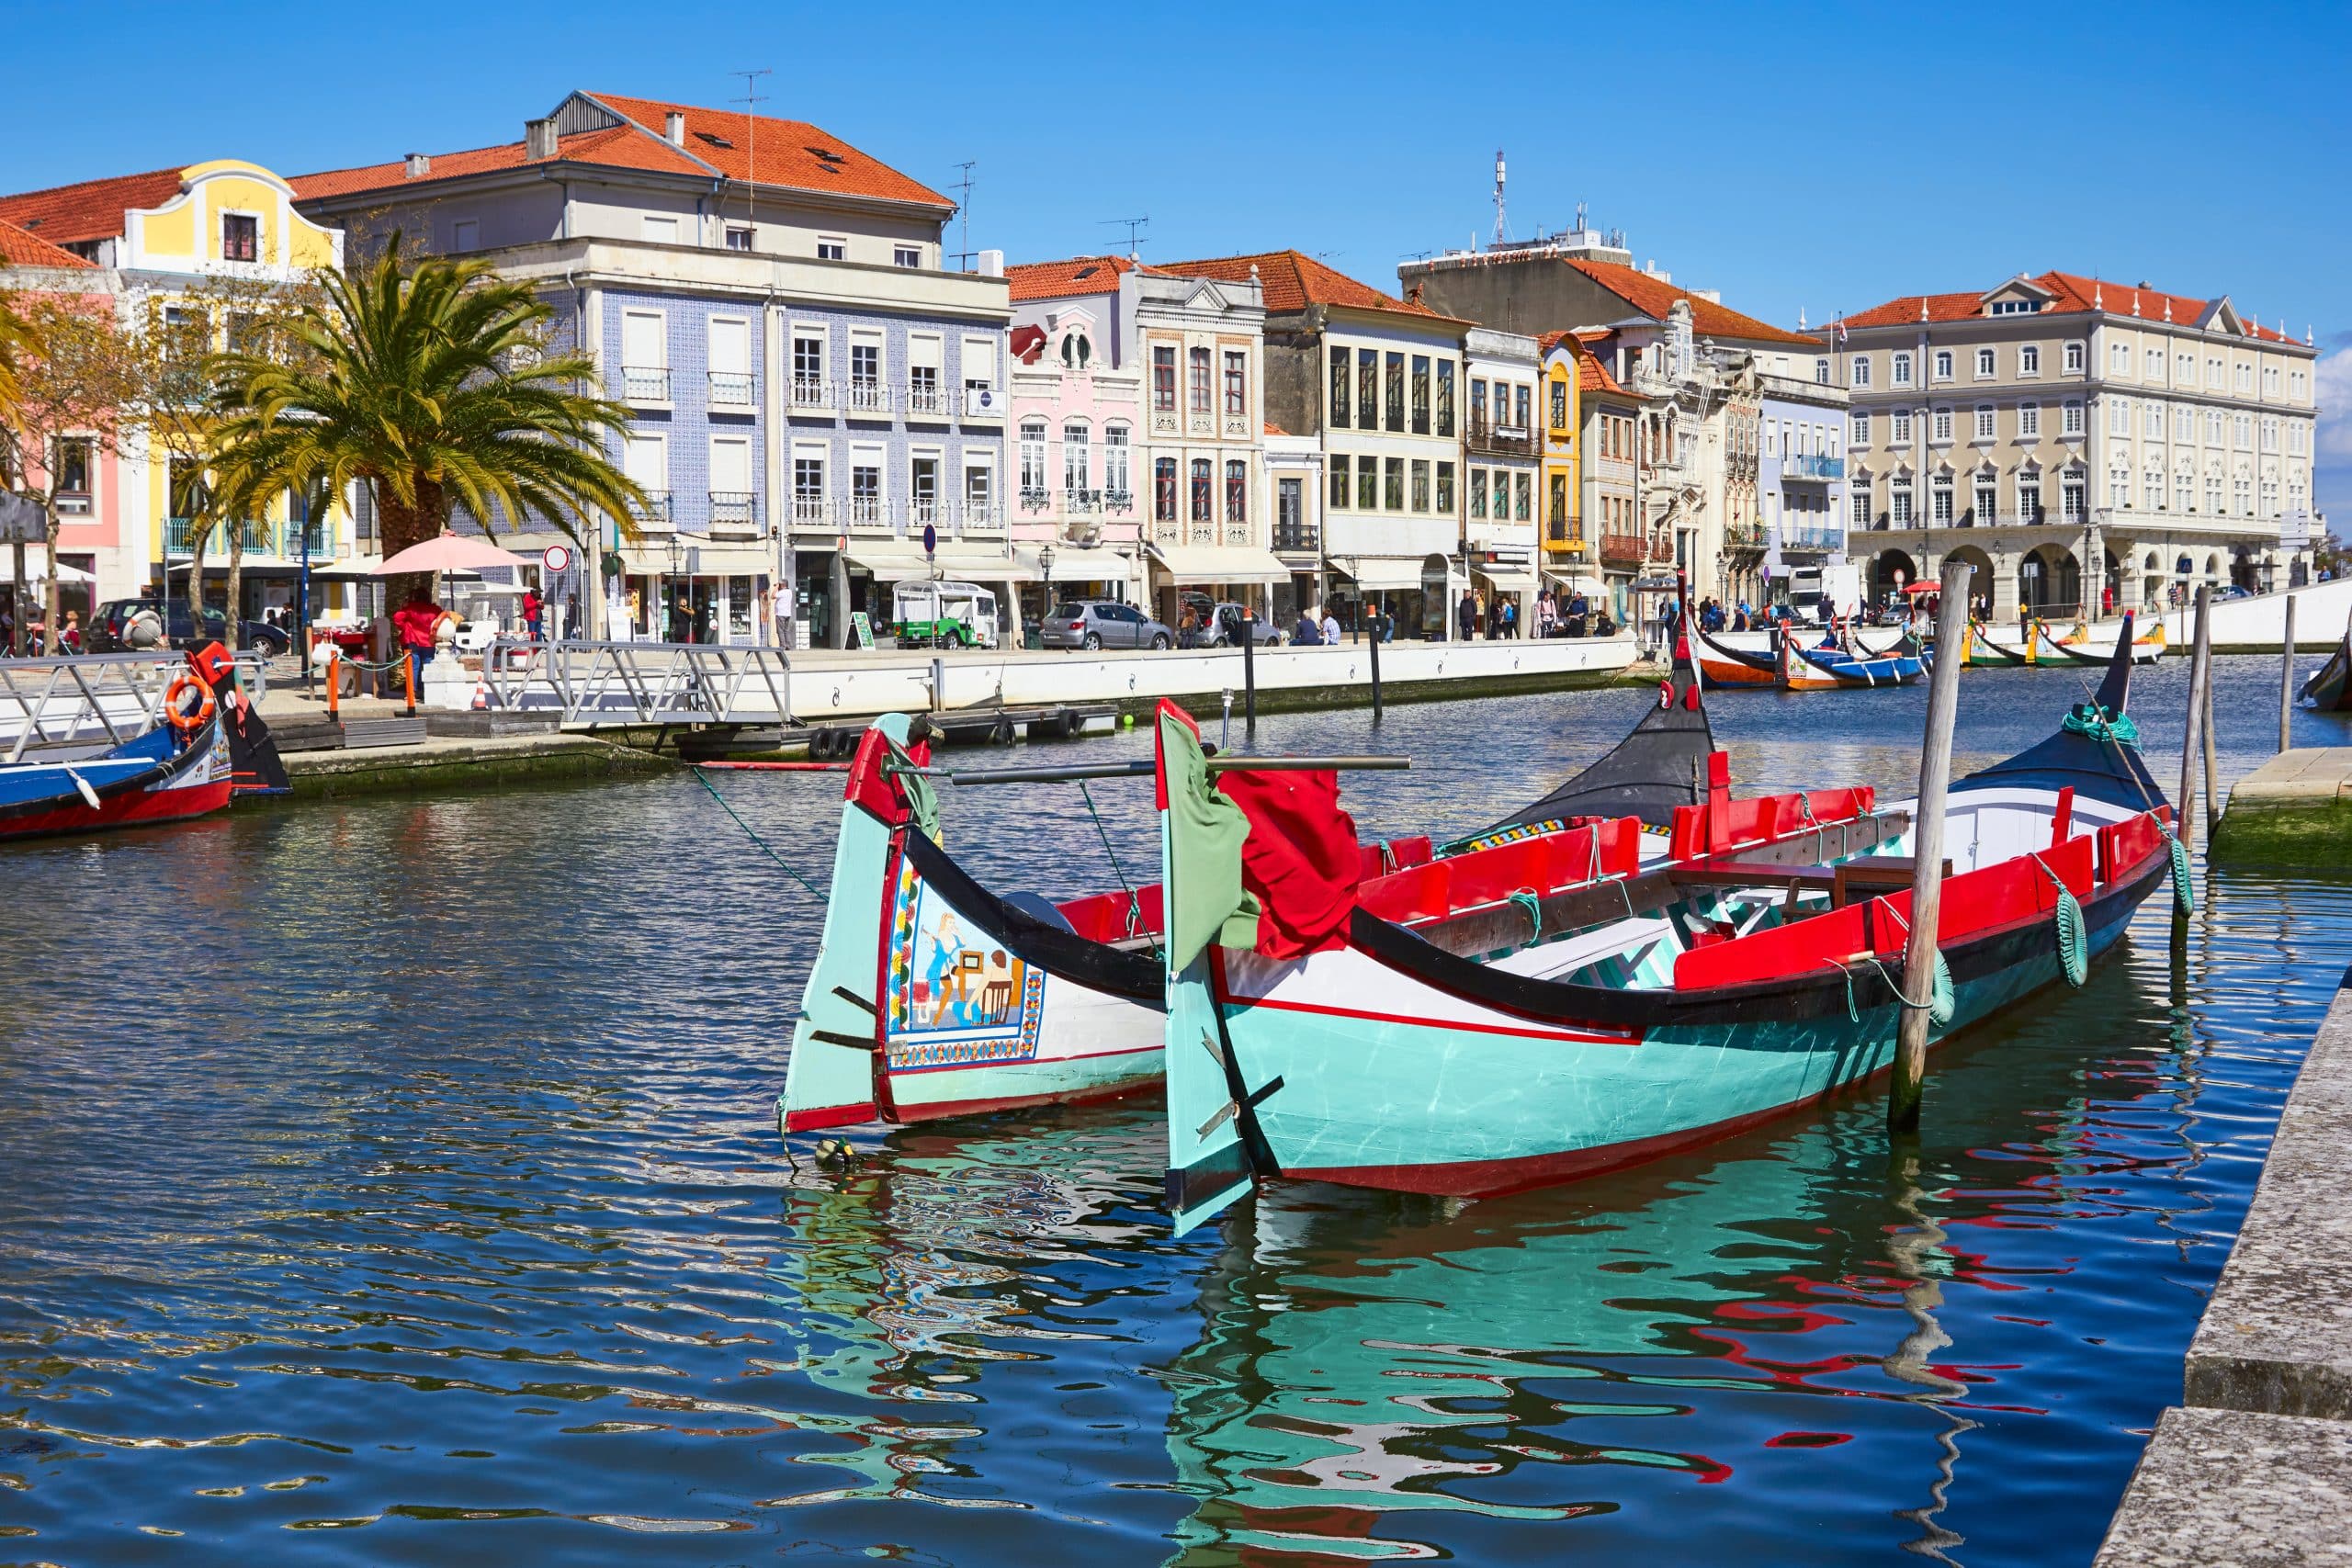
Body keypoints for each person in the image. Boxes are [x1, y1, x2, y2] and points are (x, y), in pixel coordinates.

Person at [391, 591, 442, 695]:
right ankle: (428, 691)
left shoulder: (411, 608)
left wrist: (404, 627)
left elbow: (397, 617)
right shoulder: (435, 609)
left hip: (413, 640)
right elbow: (442, 620)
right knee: (428, 665)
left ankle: (412, 692)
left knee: (413, 666)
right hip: (429, 641)